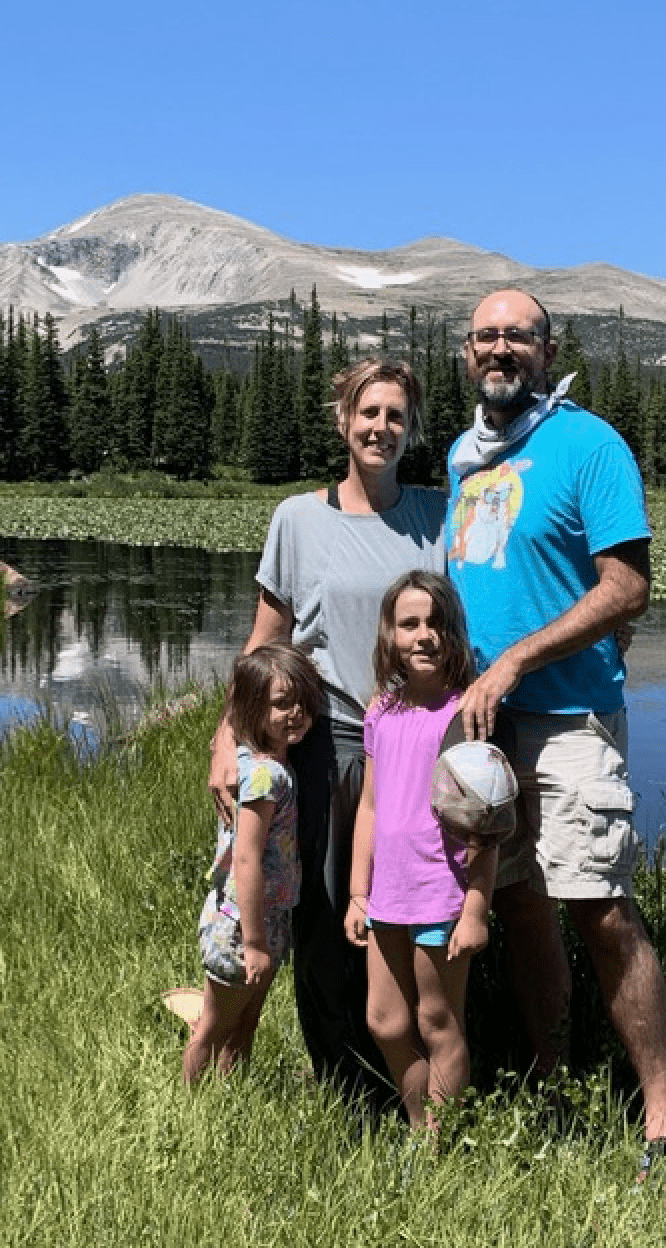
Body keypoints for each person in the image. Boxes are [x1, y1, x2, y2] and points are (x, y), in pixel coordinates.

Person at [447, 289, 666, 1159]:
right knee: (517, 903)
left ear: (548, 351)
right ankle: (553, 1083)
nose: (500, 347)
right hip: (485, 729)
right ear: (467, 353)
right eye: (486, 336)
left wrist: (517, 659)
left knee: (599, 905)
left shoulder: (591, 444)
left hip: (571, 717)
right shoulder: (461, 458)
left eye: (517, 334)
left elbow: (627, 588)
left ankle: (664, 1114)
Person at [209, 359, 446, 1099]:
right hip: (325, 742)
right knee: (320, 915)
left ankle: (403, 1075)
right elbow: (266, 636)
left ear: (411, 430)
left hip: (411, 742)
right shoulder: (298, 519)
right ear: (344, 421)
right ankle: (341, 1083)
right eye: (368, 413)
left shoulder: (437, 515)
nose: (382, 428)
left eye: (396, 416)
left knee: (401, 909)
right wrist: (228, 735)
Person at [343, 570, 497, 1130]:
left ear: (453, 635)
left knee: (437, 1020)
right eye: (409, 624)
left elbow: (487, 823)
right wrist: (359, 892)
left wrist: (475, 907)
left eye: (435, 624)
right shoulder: (380, 712)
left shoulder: (464, 716)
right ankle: (421, 1121)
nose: (423, 635)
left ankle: (433, 1146)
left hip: (442, 892)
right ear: (390, 637)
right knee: (385, 1021)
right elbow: (370, 807)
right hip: (387, 893)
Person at [184, 643, 321, 1086]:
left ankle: (231, 1098)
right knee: (215, 1024)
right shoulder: (264, 775)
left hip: (266, 917)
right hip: (242, 925)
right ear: (251, 708)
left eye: (303, 701)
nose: (296, 713)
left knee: (246, 1022)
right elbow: (247, 856)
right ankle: (189, 1103)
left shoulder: (274, 764)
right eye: (282, 704)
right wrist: (257, 943)